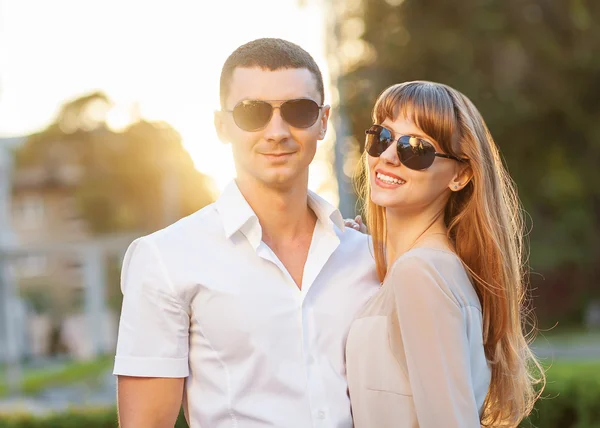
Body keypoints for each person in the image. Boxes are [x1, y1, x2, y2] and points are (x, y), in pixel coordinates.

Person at [113, 38, 380, 428]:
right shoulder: (166, 259)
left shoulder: (369, 257)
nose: (276, 131)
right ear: (222, 126)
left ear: (323, 121)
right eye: (253, 112)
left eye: (298, 111)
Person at [345, 81, 544, 427]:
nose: (388, 156)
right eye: (382, 137)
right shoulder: (430, 268)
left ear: (461, 174)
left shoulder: (419, 273)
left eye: (415, 149)